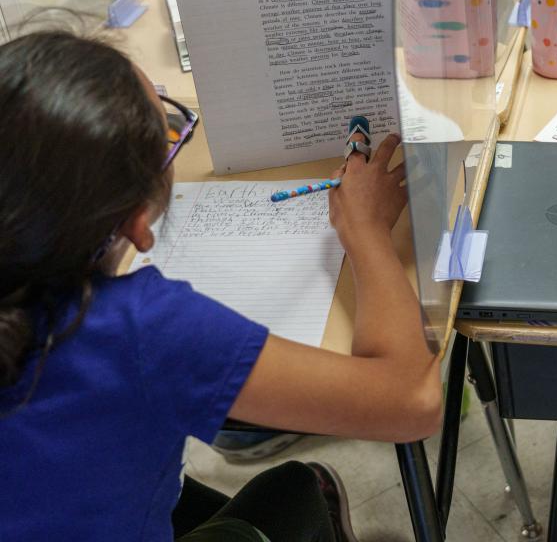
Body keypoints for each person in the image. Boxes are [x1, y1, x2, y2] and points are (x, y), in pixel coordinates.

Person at [0, 31, 442, 540]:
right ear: (139, 222)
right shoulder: (139, 329)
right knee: (298, 490)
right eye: (168, 135)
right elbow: (413, 401)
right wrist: (367, 233)